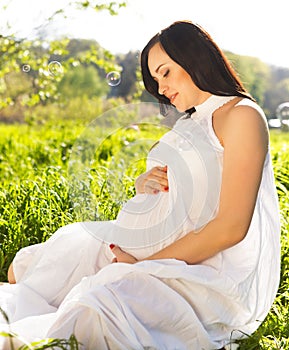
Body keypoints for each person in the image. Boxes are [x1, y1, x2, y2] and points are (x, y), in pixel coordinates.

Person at [0, 20, 280, 350]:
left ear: (195, 59)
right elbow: (187, 184)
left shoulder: (241, 115)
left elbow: (231, 227)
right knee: (31, 269)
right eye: (155, 79)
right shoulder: (193, 118)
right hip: (147, 246)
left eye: (165, 72)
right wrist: (144, 182)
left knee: (95, 312)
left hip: (199, 269)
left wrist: (146, 267)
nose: (160, 88)